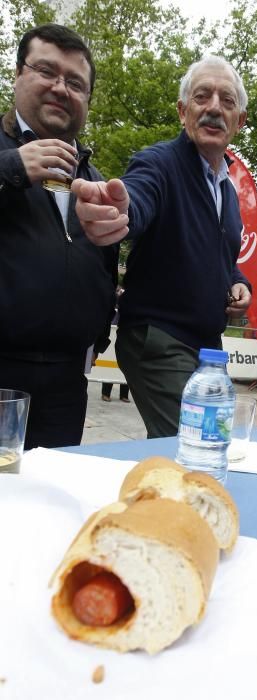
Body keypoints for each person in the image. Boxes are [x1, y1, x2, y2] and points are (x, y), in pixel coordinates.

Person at [72, 55, 251, 437]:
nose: (214, 108)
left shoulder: (227, 190)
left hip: (204, 346)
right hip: (159, 339)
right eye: (202, 96)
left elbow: (223, 259)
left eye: (227, 100)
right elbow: (137, 198)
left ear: (240, 121)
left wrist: (240, 284)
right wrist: (121, 210)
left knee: (198, 447)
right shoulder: (159, 164)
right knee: (198, 443)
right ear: (183, 111)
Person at [0, 24, 117, 449]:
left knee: (53, 504)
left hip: (66, 384)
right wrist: (11, 168)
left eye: (75, 83)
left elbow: (103, 263)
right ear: (17, 75)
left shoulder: (93, 179)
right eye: (46, 71)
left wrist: (95, 338)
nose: (60, 88)